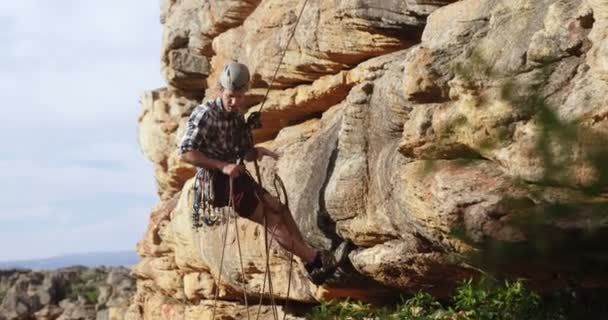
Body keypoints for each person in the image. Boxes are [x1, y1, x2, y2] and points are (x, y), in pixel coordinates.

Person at [178, 62, 349, 285]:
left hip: (236, 176)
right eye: (230, 96)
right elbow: (186, 153)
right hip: (217, 182)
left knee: (279, 206)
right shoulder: (205, 114)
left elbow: (244, 154)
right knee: (271, 219)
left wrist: (254, 148)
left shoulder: (237, 116)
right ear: (222, 90)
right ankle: (315, 259)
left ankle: (310, 261)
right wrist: (222, 166)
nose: (234, 102)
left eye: (239, 97)